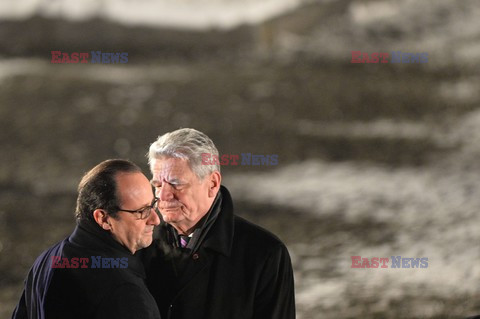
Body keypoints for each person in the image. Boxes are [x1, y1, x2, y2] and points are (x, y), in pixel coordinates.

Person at [142, 128, 296, 319]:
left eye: (176, 184)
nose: (163, 196)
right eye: (157, 185)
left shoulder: (265, 254)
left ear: (212, 184)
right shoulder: (139, 243)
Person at [12, 159, 161, 319]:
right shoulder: (124, 292)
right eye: (142, 211)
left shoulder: (47, 260)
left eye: (153, 205)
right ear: (103, 218)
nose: (155, 219)